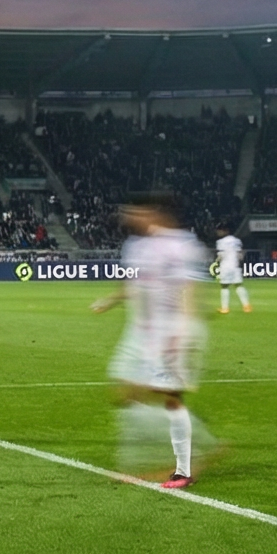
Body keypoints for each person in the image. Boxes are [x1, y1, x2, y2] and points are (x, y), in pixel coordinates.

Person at [94, 194, 212, 488]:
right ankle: (196, 449)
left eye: (136, 211)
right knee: (127, 395)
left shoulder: (181, 246)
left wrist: (182, 334)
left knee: (170, 398)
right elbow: (135, 283)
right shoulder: (135, 246)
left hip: (171, 332)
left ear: (155, 213)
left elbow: (189, 290)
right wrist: (110, 300)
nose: (129, 216)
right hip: (140, 333)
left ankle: (183, 469)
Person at [213, 226, 251, 314]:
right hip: (235, 266)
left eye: (219, 231)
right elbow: (240, 256)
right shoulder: (237, 241)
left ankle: (225, 308)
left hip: (226, 266)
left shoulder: (220, 242)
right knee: (238, 285)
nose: (218, 233)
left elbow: (221, 255)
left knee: (224, 286)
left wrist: (216, 261)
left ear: (224, 231)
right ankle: (246, 306)